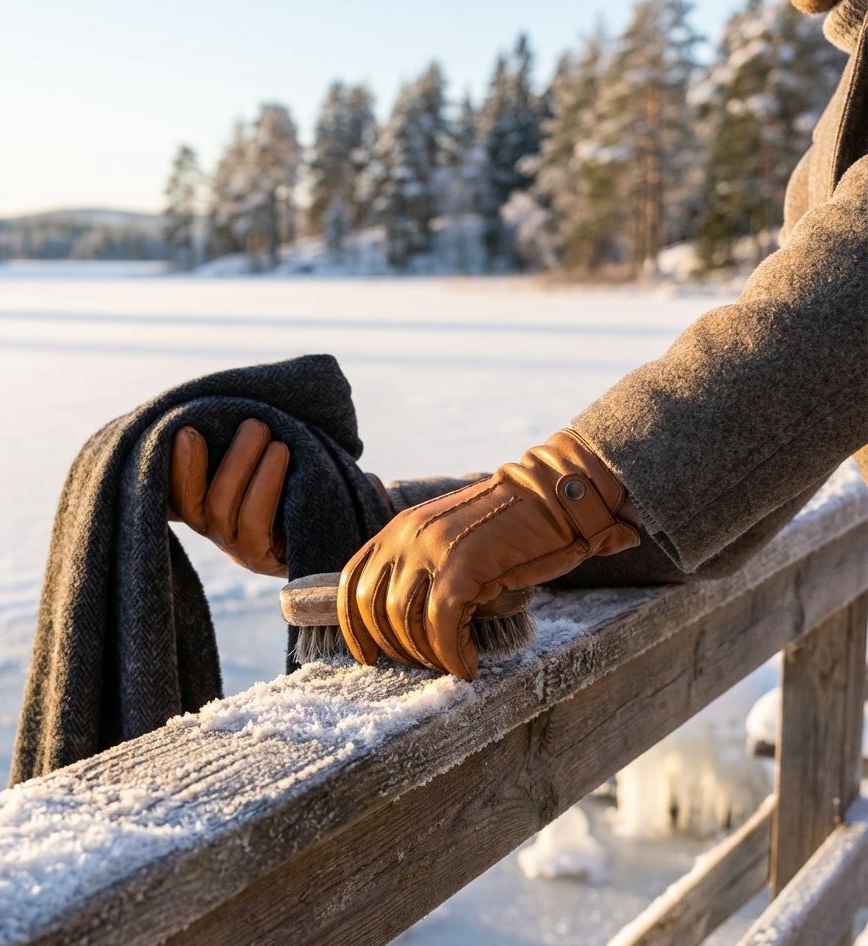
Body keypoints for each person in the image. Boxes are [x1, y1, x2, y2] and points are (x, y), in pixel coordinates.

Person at [170, 0, 868, 680]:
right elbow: (748, 477)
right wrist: (377, 515)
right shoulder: (836, 127)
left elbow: (837, 307)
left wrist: (557, 495)